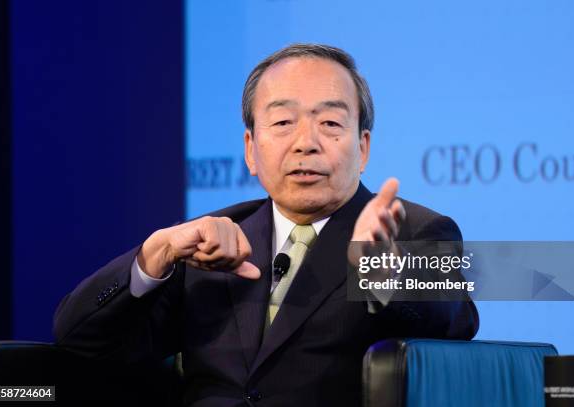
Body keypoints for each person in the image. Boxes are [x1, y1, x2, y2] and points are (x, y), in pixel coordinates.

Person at [54, 43, 479, 407]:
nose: (305, 142)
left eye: (330, 123)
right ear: (251, 149)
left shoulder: (417, 230)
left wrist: (379, 273)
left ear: (363, 148)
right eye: (282, 123)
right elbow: (80, 338)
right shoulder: (211, 237)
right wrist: (155, 255)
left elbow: (454, 324)